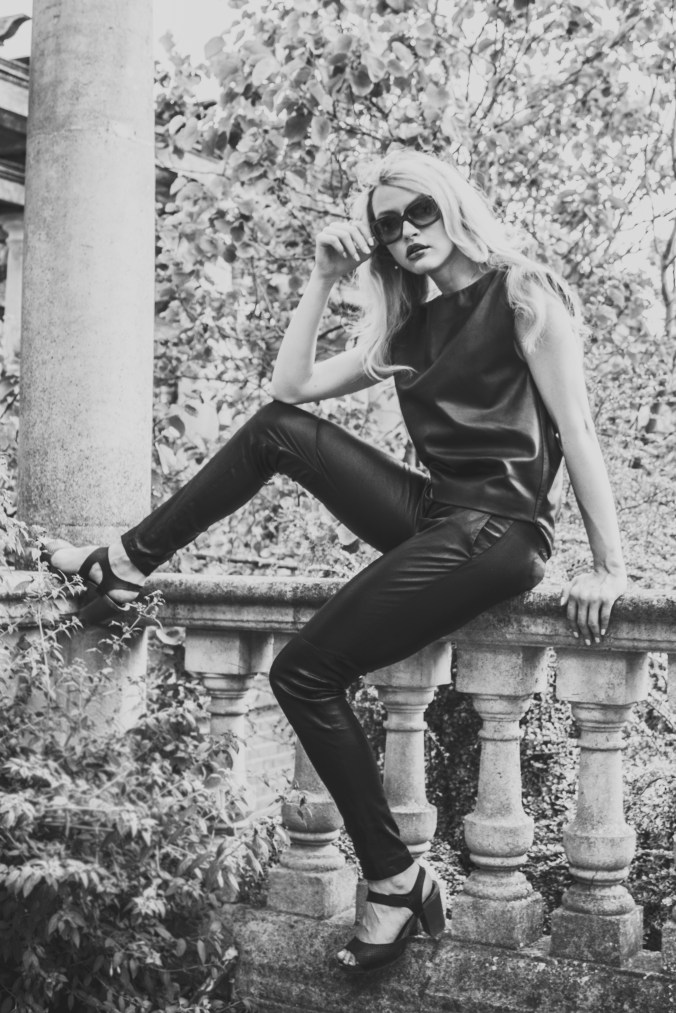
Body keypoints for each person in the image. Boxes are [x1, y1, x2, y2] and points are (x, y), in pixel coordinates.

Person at [42, 149, 627, 973]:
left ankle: (395, 877)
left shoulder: (522, 293)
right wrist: (321, 278)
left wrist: (610, 564)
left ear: (452, 204)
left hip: (501, 528)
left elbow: (580, 429)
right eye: (388, 225)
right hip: (438, 513)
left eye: (419, 211)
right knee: (276, 433)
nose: (406, 232)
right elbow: (288, 389)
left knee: (304, 671)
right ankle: (126, 562)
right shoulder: (410, 331)